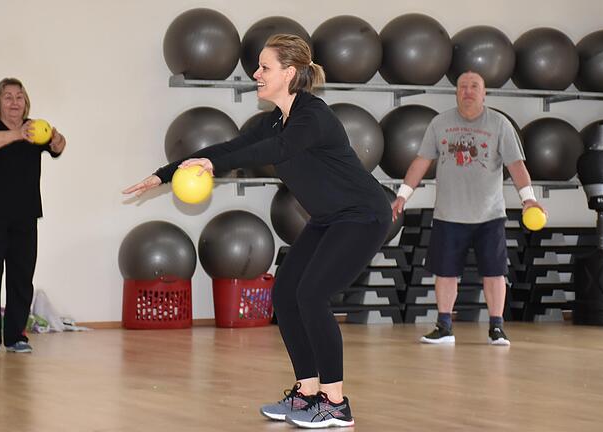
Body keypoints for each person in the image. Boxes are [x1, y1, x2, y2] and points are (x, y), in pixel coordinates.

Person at [123, 34, 390, 428]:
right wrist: (165, 174)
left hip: (363, 216)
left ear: (291, 73)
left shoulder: (312, 116)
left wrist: (216, 167)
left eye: (264, 67)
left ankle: (335, 402)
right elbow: (228, 148)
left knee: (313, 295)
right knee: (285, 294)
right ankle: (307, 392)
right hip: (328, 218)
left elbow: (276, 151)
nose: (256, 73)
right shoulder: (273, 121)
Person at [392, 71, 545, 346]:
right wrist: (403, 195)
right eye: (463, 86)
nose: (468, 91)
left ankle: (497, 328)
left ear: (484, 93)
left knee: (495, 272)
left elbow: (516, 165)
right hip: (449, 214)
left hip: (489, 215)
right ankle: (444, 326)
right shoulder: (440, 123)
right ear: (456, 92)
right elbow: (420, 161)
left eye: (474, 86)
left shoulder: (499, 124)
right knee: (445, 272)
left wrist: (529, 199)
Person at [0, 78, 66, 355]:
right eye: (7, 97)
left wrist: (56, 138)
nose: (14, 102)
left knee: (21, 277)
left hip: (25, 215)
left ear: (26, 102)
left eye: (19, 97)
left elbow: (58, 147)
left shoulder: (36, 130)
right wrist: (19, 134)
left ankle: (16, 336)